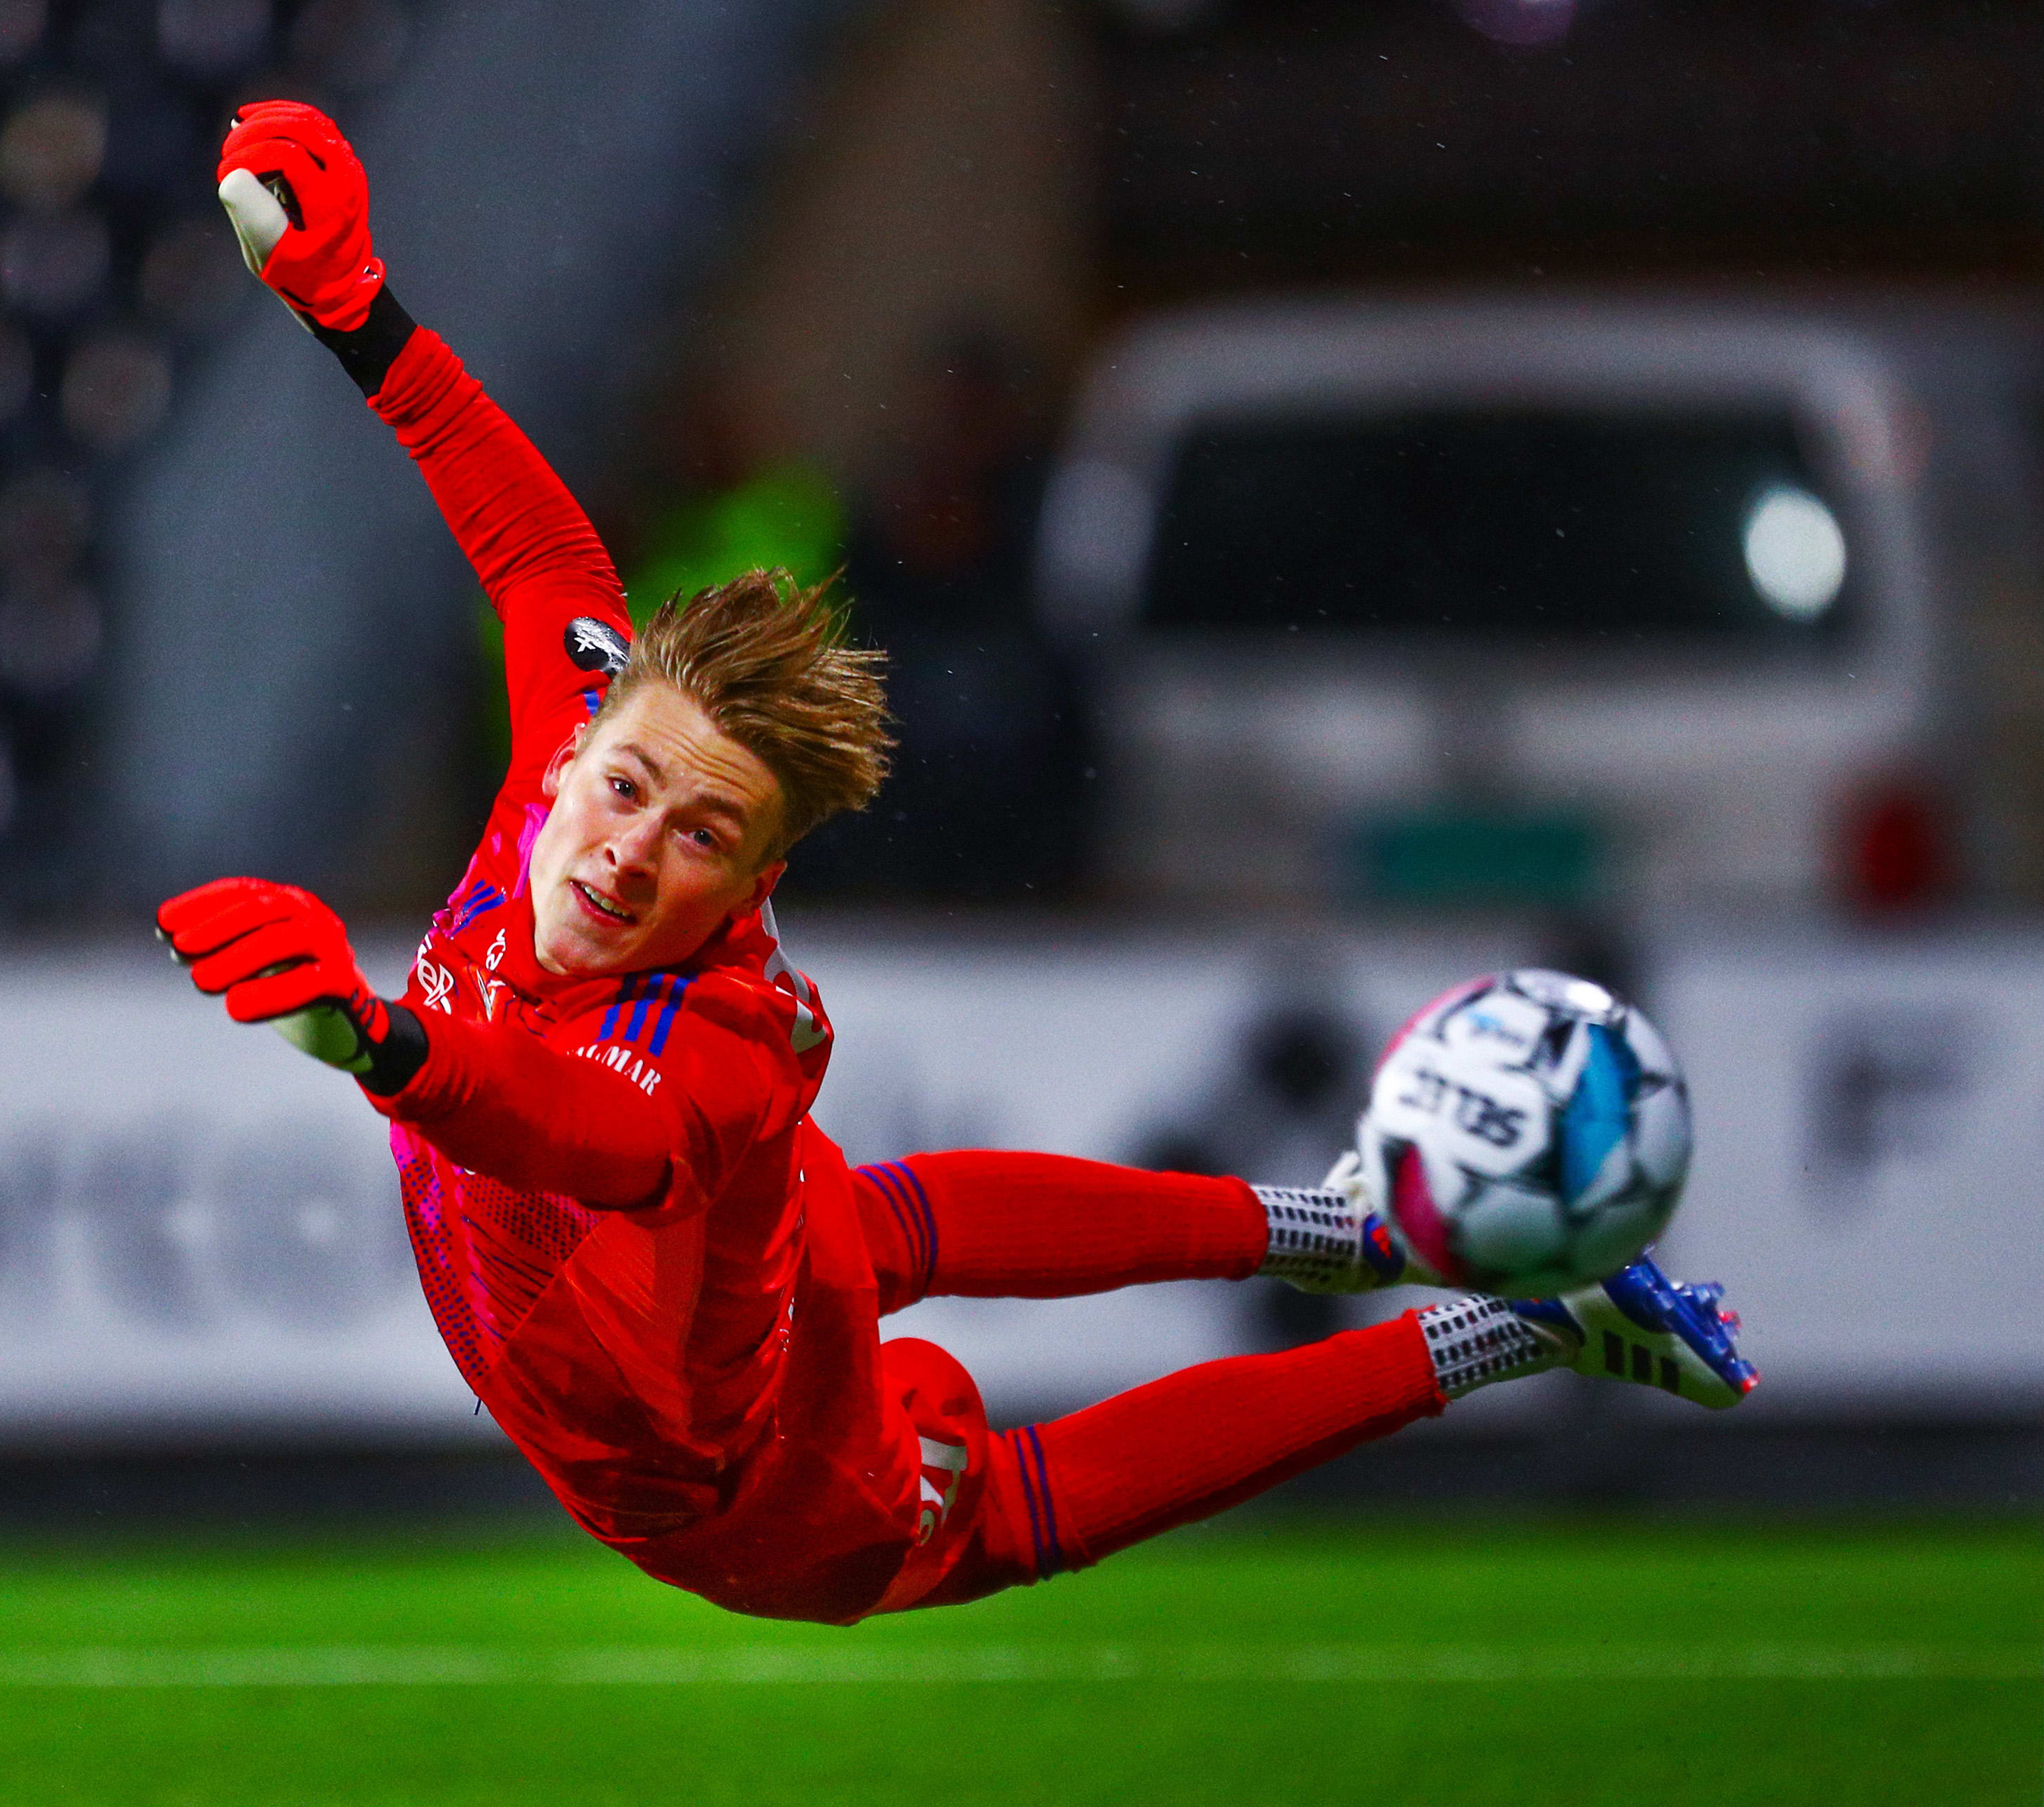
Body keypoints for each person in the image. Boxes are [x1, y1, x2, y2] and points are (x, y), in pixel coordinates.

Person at [159, 103, 1754, 1626]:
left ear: (755, 884)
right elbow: (533, 547)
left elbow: (579, 1135)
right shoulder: (582, 743)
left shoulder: (714, 1044)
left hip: (759, 1490)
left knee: (1011, 1496)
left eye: (703, 836)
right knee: (865, 1227)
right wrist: (357, 311)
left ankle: (1510, 1329)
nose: (633, 849)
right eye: (626, 787)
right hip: (723, 1283)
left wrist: (381, 1045)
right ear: (575, 748)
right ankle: (1341, 1233)